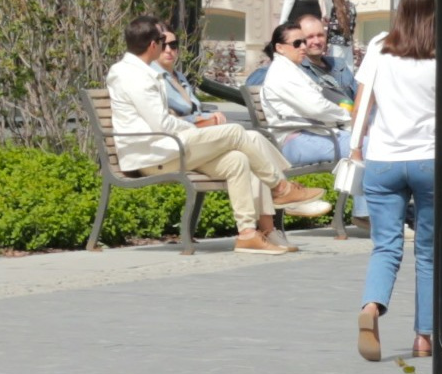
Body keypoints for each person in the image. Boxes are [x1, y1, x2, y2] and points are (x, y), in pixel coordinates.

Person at [106, 16, 331, 257]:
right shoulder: (133, 75)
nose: (167, 48)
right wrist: (199, 129)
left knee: (238, 160)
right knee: (235, 132)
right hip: (153, 154)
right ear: (153, 45)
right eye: (164, 42)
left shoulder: (140, 72)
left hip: (166, 148)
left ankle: (247, 234)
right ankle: (280, 188)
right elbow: (161, 123)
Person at [348, 0, 439, 362]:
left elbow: (362, 103)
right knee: (430, 251)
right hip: (430, 160)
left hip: (383, 160)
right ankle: (424, 337)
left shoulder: (381, 45)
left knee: (385, 245)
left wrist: (356, 146)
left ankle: (371, 307)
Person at [257, 13, 355, 163]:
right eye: (297, 43)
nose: (303, 46)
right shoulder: (282, 73)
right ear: (280, 48)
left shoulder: (291, 69)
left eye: (303, 41)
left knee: (374, 145)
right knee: (372, 147)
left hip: (316, 134)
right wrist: (349, 117)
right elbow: (318, 108)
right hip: (299, 141)